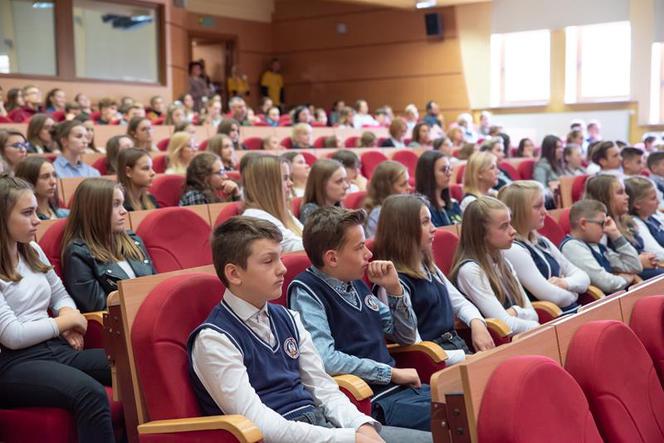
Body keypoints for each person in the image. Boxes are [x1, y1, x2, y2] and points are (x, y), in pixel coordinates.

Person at [188, 216, 405, 443]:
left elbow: (323, 388)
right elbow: (258, 423)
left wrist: (362, 426)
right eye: (268, 261)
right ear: (234, 273)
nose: (282, 269)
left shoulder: (289, 318)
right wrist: (349, 438)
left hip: (322, 427)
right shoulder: (214, 339)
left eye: (280, 258)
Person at [288, 207, 433, 435]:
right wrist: (390, 373)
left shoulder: (353, 279)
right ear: (332, 258)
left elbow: (404, 335)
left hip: (401, 390)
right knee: (457, 419)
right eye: (359, 247)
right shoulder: (307, 291)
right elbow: (325, 360)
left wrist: (395, 290)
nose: (369, 254)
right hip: (370, 400)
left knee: (467, 404)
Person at [0, 175, 115, 443]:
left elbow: (60, 295)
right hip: (13, 363)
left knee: (128, 367)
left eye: (36, 212)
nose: (37, 220)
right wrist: (65, 324)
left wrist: (66, 314)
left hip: (54, 349)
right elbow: (12, 335)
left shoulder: (32, 250)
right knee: (90, 392)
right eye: (27, 213)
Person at [374, 194, 494, 354]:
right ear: (404, 230)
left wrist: (477, 323)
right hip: (436, 361)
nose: (434, 228)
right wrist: (465, 358)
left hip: (456, 347)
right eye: (425, 222)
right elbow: (417, 347)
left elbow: (460, 303)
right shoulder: (392, 282)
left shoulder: (427, 265)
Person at [61, 179, 155, 312]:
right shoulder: (78, 253)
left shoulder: (133, 240)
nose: (124, 211)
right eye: (116, 205)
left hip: (152, 311)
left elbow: (156, 285)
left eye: (122, 204)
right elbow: (97, 307)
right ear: (94, 210)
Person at [450, 197, 540, 334]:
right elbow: (505, 326)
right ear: (481, 233)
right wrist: (534, 324)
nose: (513, 231)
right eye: (504, 226)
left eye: (510, 223)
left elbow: (533, 314)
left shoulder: (504, 262)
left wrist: (515, 311)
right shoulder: (470, 270)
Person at [498, 181, 590, 313]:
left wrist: (566, 283)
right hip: (551, 320)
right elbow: (553, 297)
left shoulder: (542, 241)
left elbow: (583, 276)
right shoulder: (513, 249)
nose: (545, 212)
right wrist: (575, 293)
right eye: (537, 206)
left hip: (571, 311)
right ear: (518, 212)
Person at [583, 174, 662, 281]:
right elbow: (607, 265)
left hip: (648, 271)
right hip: (634, 279)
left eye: (625, 191)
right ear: (604, 198)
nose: (627, 196)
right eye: (620, 193)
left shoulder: (628, 222)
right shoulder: (602, 229)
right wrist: (638, 261)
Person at [560, 200, 638, 293]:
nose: (605, 229)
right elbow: (605, 283)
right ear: (583, 224)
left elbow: (634, 265)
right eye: (602, 224)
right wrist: (625, 279)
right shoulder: (571, 247)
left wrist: (615, 234)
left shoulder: (597, 245)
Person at [242, 155, 304, 252]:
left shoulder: (283, 210)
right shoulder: (255, 216)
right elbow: (293, 247)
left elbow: (306, 236)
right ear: (267, 184)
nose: (291, 183)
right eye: (285, 178)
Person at [362, 161, 410, 238]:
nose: (409, 188)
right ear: (386, 189)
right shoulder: (378, 215)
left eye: (408, 183)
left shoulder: (403, 208)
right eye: (402, 185)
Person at [415, 151, 461, 227]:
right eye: (444, 170)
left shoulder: (454, 204)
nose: (449, 173)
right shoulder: (421, 209)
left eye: (449, 168)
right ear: (428, 174)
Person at [625, 176, 664, 261]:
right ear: (637, 204)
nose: (658, 201)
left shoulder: (654, 216)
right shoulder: (636, 224)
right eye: (653, 198)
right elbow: (657, 253)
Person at [299, 159, 349, 224]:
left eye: (345, 180)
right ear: (321, 185)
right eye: (339, 181)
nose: (346, 186)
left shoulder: (338, 208)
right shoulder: (311, 211)